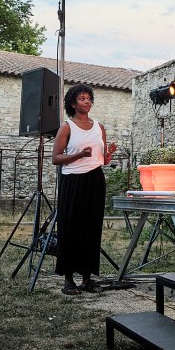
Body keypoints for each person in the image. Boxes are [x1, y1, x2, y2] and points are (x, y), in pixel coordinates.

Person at [51, 84, 117, 295]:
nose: (87, 101)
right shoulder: (67, 127)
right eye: (82, 98)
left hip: (95, 180)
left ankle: (87, 278)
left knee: (91, 228)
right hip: (73, 182)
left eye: (89, 98)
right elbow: (56, 158)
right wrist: (78, 155)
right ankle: (68, 279)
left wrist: (109, 155)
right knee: (71, 228)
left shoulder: (99, 126)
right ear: (73, 103)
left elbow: (103, 160)